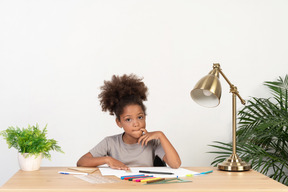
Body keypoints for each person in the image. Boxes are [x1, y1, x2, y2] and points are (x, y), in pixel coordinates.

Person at [77, 74, 181, 170]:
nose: (136, 124)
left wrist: (161, 135)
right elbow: (81, 162)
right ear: (119, 122)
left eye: (140, 117)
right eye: (128, 119)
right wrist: (107, 160)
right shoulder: (110, 143)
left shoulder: (152, 142)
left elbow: (175, 164)